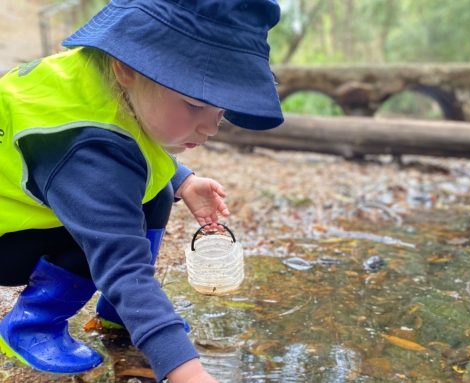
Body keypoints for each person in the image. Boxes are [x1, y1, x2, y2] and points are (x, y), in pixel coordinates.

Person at [0, 1, 283, 382]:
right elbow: (122, 263)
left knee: (157, 193)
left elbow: (125, 142)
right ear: (127, 67)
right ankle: (33, 324)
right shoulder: (84, 150)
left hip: (48, 191)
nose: (211, 128)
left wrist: (183, 179)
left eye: (222, 110)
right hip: (8, 238)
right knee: (107, 237)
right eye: (196, 104)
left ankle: (118, 317)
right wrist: (185, 370)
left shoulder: (107, 80)